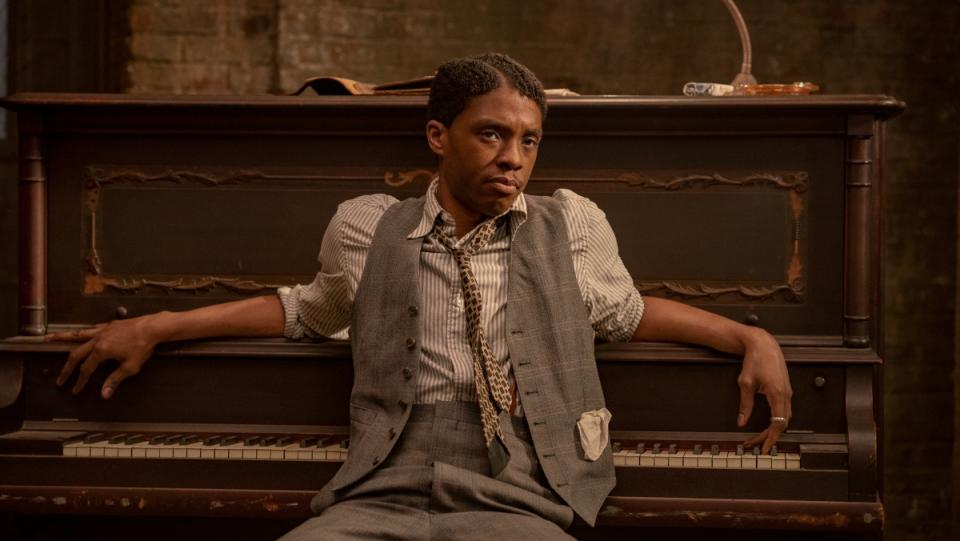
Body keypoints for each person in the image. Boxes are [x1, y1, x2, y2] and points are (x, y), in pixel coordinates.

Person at [51, 53, 792, 540]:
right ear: (439, 136)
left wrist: (750, 337)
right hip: (384, 486)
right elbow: (306, 309)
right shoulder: (367, 225)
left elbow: (628, 314)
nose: (513, 158)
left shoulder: (572, 225)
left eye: (529, 141)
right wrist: (158, 324)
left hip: (519, 493)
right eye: (493, 135)